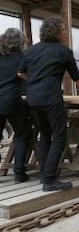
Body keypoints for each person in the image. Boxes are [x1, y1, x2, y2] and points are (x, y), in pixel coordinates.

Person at [18, 17, 79, 192]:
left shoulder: (30, 51)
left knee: (45, 135)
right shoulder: (63, 51)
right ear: (56, 32)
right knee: (60, 137)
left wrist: (35, 81)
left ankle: (45, 174)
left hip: (33, 99)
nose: (66, 32)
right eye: (64, 30)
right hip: (51, 98)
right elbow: (76, 77)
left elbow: (21, 73)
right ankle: (50, 180)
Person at [0, 28, 31, 183]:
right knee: (22, 134)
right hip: (13, 101)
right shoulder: (22, 57)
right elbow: (26, 80)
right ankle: (19, 173)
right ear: (20, 42)